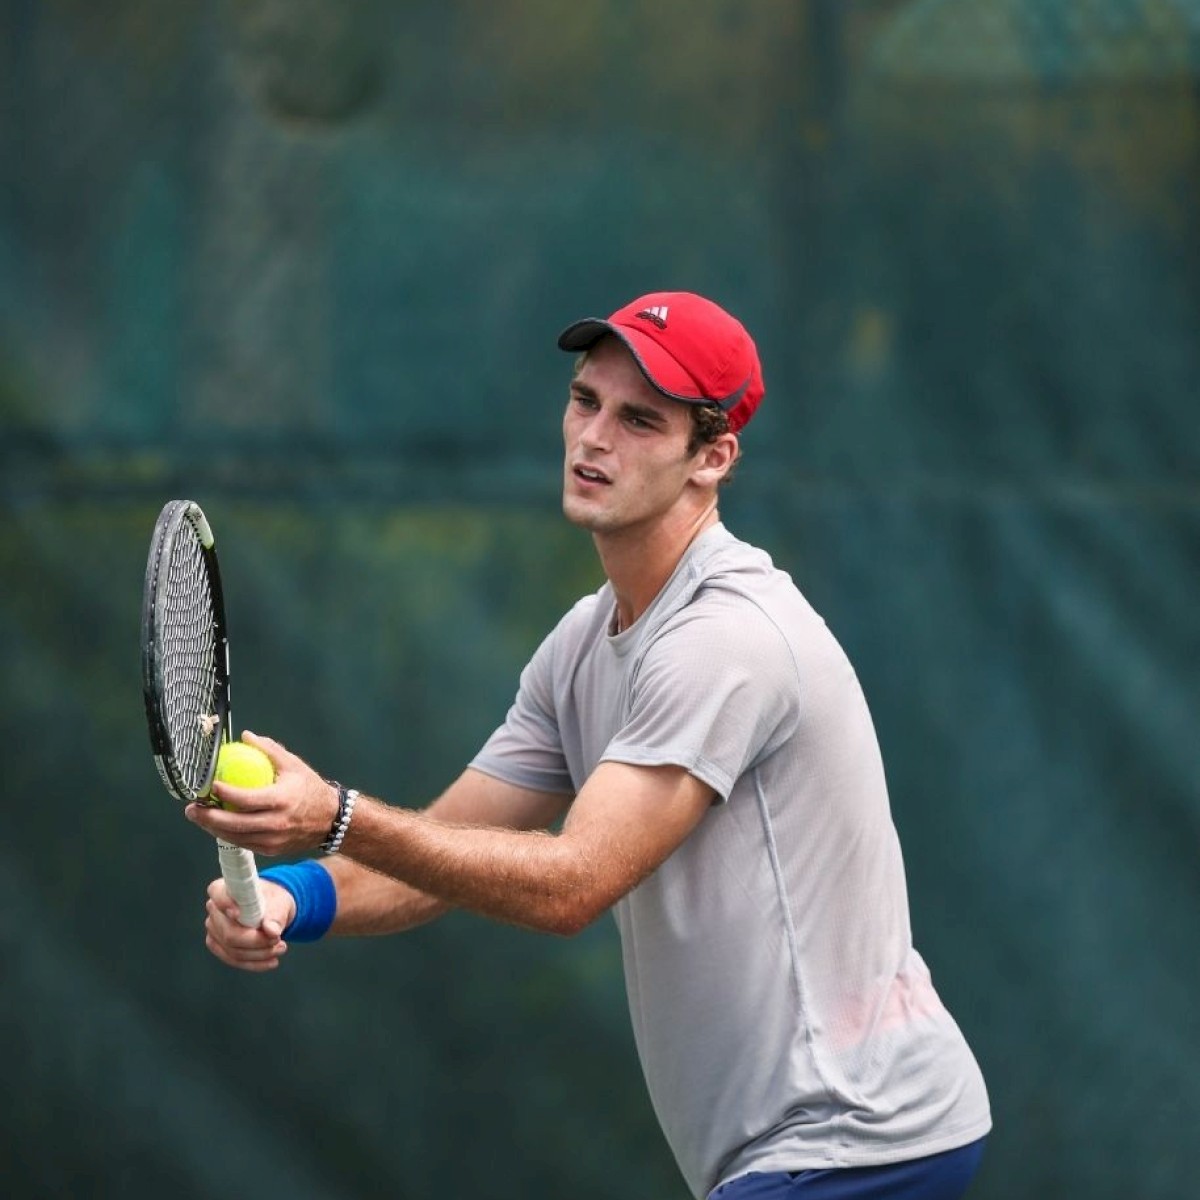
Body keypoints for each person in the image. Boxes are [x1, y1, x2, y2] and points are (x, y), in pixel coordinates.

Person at [188, 291, 992, 1200]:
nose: (594, 437)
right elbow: (443, 849)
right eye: (585, 402)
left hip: (855, 1136)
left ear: (713, 457)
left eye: (640, 420)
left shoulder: (726, 639)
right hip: (801, 1150)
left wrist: (332, 817)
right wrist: (292, 898)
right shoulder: (583, 644)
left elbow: (573, 883)